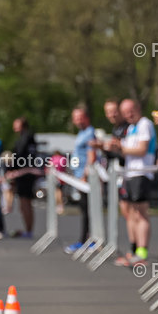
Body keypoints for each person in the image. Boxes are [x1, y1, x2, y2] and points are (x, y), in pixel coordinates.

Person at [105, 99, 156, 266]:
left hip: (142, 172)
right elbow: (125, 151)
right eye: (125, 112)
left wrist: (120, 148)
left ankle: (142, 251)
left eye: (131, 110)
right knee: (130, 214)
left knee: (140, 213)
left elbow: (141, 149)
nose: (129, 115)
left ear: (138, 108)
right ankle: (134, 250)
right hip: (129, 173)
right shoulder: (131, 128)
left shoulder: (144, 124)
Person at [64, 105, 95, 255]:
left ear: (86, 118)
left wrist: (85, 174)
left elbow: (91, 155)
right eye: (75, 118)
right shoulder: (82, 133)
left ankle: (87, 240)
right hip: (78, 176)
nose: (77, 121)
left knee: (87, 209)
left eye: (80, 117)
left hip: (85, 177)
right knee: (84, 209)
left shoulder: (90, 133)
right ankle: (86, 239)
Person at [9, 117, 40, 238]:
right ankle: (28, 229)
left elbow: (19, 155)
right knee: (24, 203)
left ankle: (29, 230)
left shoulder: (25, 138)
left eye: (16, 125)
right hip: (25, 173)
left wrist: (12, 169)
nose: (14, 127)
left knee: (25, 202)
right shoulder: (29, 138)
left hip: (24, 174)